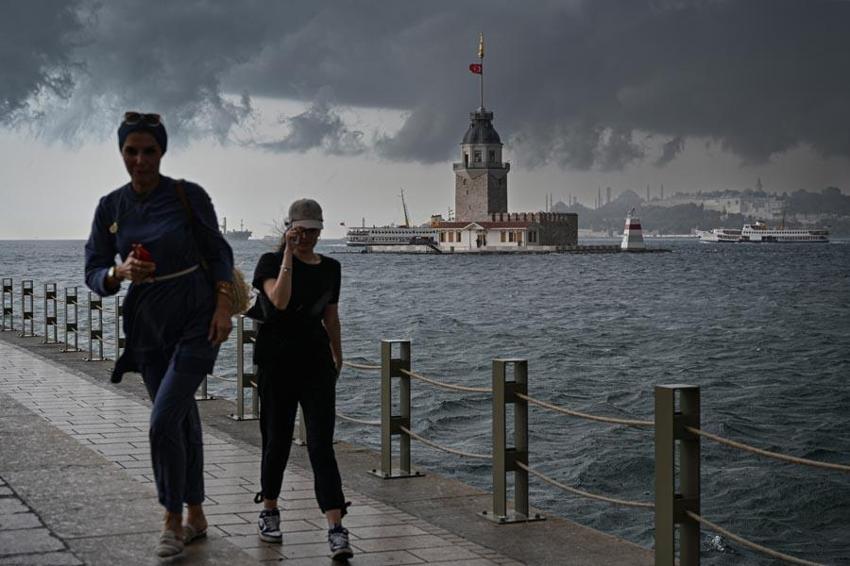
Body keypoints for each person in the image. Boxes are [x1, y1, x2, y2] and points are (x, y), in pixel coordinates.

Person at [84, 112, 235, 558]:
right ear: (121, 153)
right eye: (132, 151)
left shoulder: (188, 197)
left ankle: (171, 520)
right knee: (181, 419)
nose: (140, 160)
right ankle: (197, 513)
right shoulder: (111, 206)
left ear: (162, 151)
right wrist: (119, 271)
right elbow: (93, 267)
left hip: (195, 317)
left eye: (149, 150)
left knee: (163, 417)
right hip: (146, 323)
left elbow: (219, 253)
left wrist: (224, 306)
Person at [251, 198, 353, 561]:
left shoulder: (332, 268)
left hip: (315, 362)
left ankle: (336, 527)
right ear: (289, 227)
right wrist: (289, 255)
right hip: (276, 360)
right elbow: (279, 300)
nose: (308, 236)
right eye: (302, 229)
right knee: (275, 440)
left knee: (321, 446)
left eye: (314, 230)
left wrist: (338, 354)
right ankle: (270, 510)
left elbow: (331, 317)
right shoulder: (269, 263)